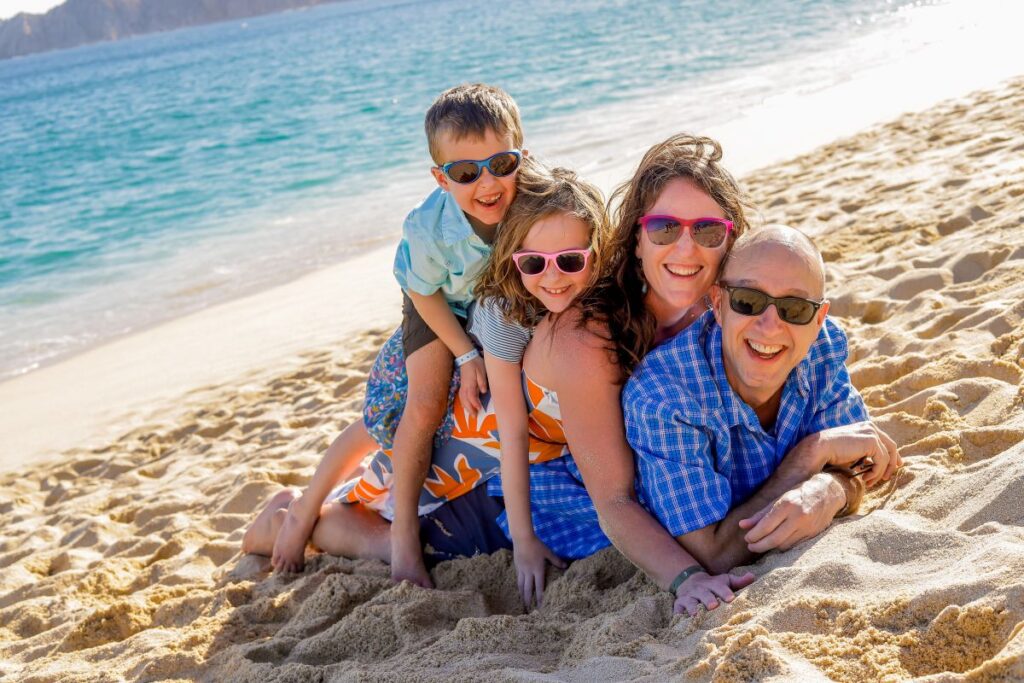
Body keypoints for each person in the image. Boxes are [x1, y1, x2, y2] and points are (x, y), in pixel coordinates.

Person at [242, 83, 528, 588]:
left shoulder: (533, 201)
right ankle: (364, 529)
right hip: (434, 305)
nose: (487, 183)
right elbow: (424, 294)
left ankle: (319, 506)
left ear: (522, 156)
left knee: (448, 415)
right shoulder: (428, 228)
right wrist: (464, 355)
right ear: (441, 178)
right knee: (420, 405)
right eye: (466, 172)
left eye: (501, 164)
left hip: (487, 307)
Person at [624, 226, 901, 607]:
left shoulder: (824, 345)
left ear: (818, 319)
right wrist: (809, 458)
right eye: (749, 301)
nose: (770, 326)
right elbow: (713, 554)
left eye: (794, 308)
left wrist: (830, 491)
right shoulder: (662, 397)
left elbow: (861, 464)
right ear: (718, 304)